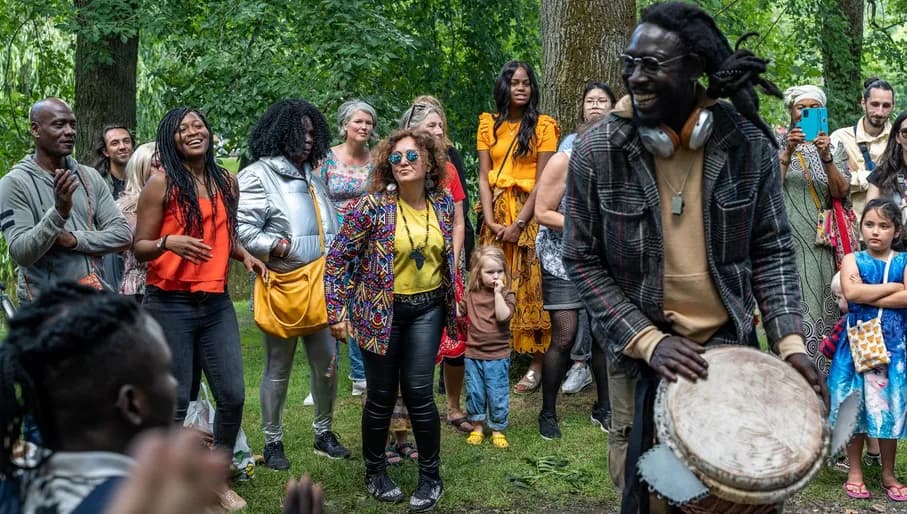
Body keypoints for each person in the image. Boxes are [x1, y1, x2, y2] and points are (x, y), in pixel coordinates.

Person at [561, 3, 827, 511]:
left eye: (652, 65)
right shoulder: (598, 152)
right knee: (650, 492)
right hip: (640, 347)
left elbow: (772, 249)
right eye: (629, 62)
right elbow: (581, 259)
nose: (635, 76)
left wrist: (790, 343)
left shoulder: (747, 143)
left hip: (729, 345)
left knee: (739, 492)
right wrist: (649, 341)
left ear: (694, 67)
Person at [325, 129, 456, 511]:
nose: (403, 163)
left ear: (428, 162)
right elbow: (336, 260)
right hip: (380, 311)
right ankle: (375, 472)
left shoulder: (443, 203)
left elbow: (447, 257)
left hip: (427, 309)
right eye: (396, 158)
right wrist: (336, 311)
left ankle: (430, 478)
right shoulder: (371, 206)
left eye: (411, 156)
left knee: (419, 392)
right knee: (380, 396)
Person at [133, 107, 267, 463]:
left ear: (208, 132)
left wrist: (244, 254)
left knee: (233, 395)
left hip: (215, 303)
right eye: (183, 128)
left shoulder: (226, 181)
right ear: (170, 139)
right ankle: (169, 475)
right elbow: (139, 247)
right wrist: (167, 242)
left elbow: (222, 232)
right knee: (176, 400)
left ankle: (217, 470)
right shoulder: (160, 184)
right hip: (168, 303)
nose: (193, 132)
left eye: (199, 125)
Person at [237, 99, 350, 469]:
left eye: (312, 132)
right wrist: (277, 246)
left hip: (322, 285)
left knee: (327, 365)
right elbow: (241, 229)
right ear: (280, 132)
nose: (308, 138)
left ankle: (324, 434)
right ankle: (273, 442)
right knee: (278, 367)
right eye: (301, 132)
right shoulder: (258, 175)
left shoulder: (312, 177)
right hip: (284, 285)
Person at [0, 283, 177, 514]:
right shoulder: (144, 501)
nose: (175, 383)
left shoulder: (14, 486)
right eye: (167, 371)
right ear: (132, 403)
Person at [477, 60, 559, 394]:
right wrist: (489, 219)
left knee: (530, 285)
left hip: (529, 214)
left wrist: (520, 222)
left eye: (526, 82)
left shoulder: (544, 126)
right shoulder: (488, 124)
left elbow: (544, 180)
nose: (521, 88)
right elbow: (483, 175)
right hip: (495, 215)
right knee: (493, 281)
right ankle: (494, 353)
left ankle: (535, 365)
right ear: (504, 87)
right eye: (514, 83)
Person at [0, 98, 132, 304]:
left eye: (73, 125)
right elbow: (21, 253)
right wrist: (58, 213)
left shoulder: (89, 177)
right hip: (47, 309)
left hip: (93, 302)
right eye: (59, 125)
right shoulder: (14, 183)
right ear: (35, 129)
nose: (70, 132)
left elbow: (123, 235)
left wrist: (74, 240)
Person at [535, 117, 610, 439]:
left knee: (602, 336)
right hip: (560, 257)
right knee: (565, 335)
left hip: (598, 259)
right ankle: (548, 413)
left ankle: (604, 408)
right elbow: (542, 212)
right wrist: (585, 225)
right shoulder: (563, 162)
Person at [400, 100, 472, 434]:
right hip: (409, 267)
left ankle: (454, 407)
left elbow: (459, 221)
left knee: (455, 337)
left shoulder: (449, 170)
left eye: (441, 125)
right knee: (413, 342)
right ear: (412, 130)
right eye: (432, 125)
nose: (440, 131)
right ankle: (410, 411)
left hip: (447, 267)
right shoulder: (400, 167)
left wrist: (452, 261)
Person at [830, 198, 907, 502]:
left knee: (889, 407)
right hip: (857, 345)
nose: (876, 231)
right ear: (861, 228)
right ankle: (855, 472)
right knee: (856, 405)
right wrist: (894, 288)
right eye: (870, 224)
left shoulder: (903, 261)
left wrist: (866, 294)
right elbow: (851, 292)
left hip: (893, 348)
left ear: (896, 231)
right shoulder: (852, 259)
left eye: (884, 226)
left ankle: (889, 473)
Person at [779, 85, 851, 373]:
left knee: (828, 306)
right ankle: (795, 373)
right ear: (791, 111)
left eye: (814, 108)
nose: (805, 113)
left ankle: (828, 375)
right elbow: (768, 189)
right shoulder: (775, 145)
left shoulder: (834, 148)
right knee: (795, 308)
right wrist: (788, 150)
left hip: (825, 245)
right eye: (801, 107)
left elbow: (841, 191)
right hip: (787, 244)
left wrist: (826, 157)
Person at [316, 98, 378, 396]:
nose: (364, 127)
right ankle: (324, 374)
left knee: (360, 307)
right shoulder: (326, 158)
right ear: (344, 125)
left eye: (368, 122)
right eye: (358, 121)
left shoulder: (377, 160)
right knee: (331, 306)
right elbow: (315, 198)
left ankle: (360, 376)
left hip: (367, 244)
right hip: (333, 242)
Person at [461, 246, 516, 449]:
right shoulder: (471, 294)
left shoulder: (508, 295)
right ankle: (477, 427)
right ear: (478, 273)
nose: (495, 276)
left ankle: (497, 429)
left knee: (497, 392)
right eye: (490, 272)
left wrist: (498, 294)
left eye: (499, 271)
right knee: (475, 392)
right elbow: (459, 312)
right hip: (473, 354)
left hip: (497, 355)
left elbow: (502, 316)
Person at [831, 78, 895, 215]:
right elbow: (831, 182)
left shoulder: (899, 140)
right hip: (849, 222)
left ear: (893, 106)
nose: (879, 112)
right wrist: (871, 178)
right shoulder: (840, 138)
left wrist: (853, 178)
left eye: (886, 106)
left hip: (889, 223)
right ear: (863, 103)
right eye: (875, 104)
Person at [117, 142, 163, 302]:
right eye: (156, 165)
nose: (163, 170)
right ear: (140, 169)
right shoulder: (125, 207)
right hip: (138, 289)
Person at [866, 110, 907, 226]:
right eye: (906, 132)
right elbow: (870, 217)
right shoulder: (882, 174)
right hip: (894, 235)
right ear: (898, 137)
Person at [94, 125, 135, 200]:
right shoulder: (97, 182)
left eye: (126, 141)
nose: (122, 147)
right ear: (105, 151)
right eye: (115, 143)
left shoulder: (142, 178)